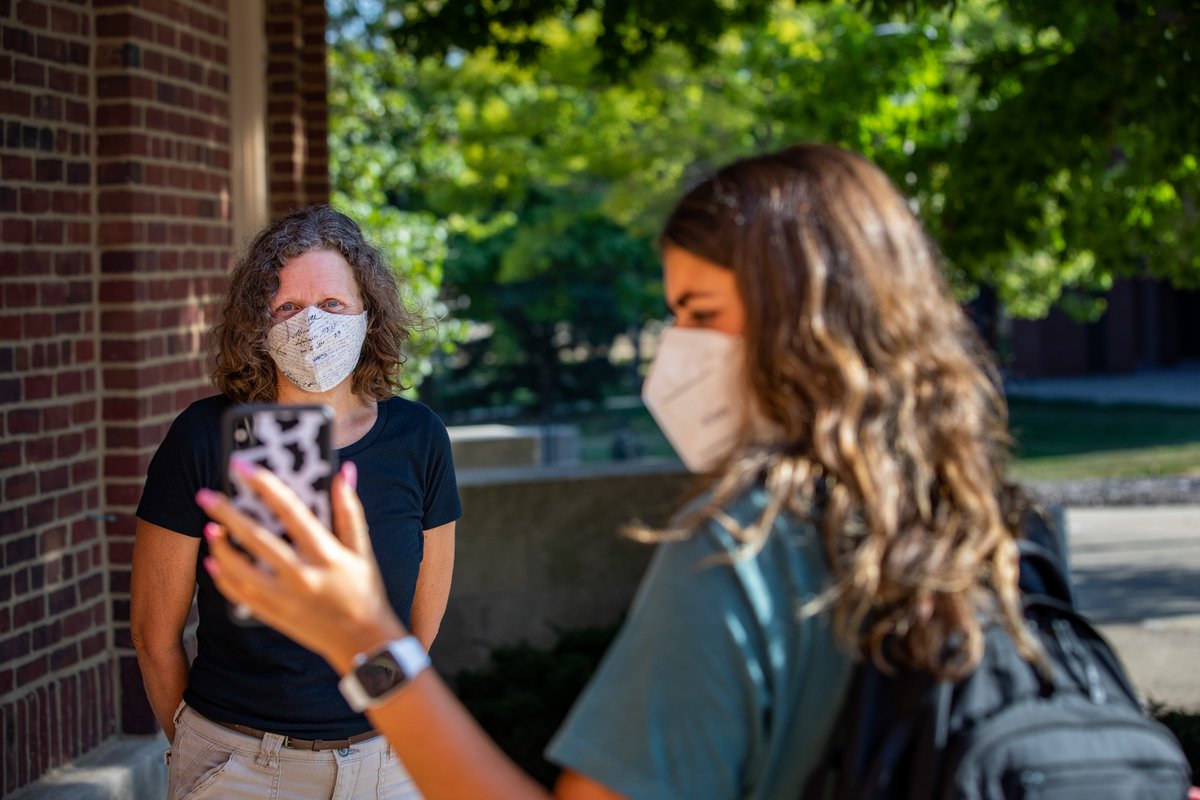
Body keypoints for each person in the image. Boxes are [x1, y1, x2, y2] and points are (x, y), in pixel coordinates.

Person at [197, 144, 1038, 799]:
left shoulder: (748, 554)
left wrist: (365, 646)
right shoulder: (987, 532)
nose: (676, 351)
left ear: (809, 321)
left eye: (699, 313)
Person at [130, 206, 461, 799]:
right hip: (239, 768)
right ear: (258, 324)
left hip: (385, 768)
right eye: (287, 308)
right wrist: (206, 754)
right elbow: (155, 634)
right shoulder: (204, 436)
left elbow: (421, 625)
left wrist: (367, 715)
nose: (312, 325)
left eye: (332, 304)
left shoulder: (419, 438)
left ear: (368, 314)